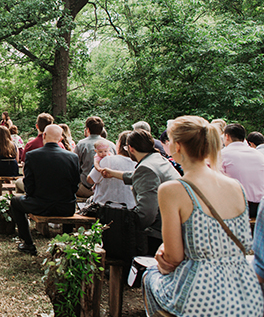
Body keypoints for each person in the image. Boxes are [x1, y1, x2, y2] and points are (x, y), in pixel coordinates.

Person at [142, 116, 263, 317]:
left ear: (177, 146)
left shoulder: (173, 189)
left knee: (150, 274)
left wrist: (163, 255)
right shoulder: (236, 187)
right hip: (242, 290)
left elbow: (174, 257)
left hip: (200, 292)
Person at [99, 129, 180, 254]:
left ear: (131, 148)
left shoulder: (146, 169)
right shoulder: (157, 159)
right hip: (175, 223)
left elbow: (147, 213)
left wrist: (125, 229)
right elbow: (138, 177)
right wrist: (113, 174)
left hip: (159, 232)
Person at [10, 125, 80, 255]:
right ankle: (65, 244)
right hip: (66, 207)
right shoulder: (73, 157)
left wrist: (32, 197)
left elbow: (29, 184)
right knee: (68, 199)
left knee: (15, 201)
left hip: (39, 205)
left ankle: (28, 243)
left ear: (44, 136)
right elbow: (75, 185)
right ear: (60, 138)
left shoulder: (32, 156)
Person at [221, 123, 264, 218]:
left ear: (227, 136)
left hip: (237, 208)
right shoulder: (259, 155)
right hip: (261, 206)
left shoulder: (222, 155)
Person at [85, 131, 136, 208]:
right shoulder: (137, 164)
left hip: (104, 207)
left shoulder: (107, 160)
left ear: (119, 145)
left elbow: (90, 180)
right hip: (130, 206)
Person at [74, 116, 116, 198]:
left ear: (88, 129)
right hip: (107, 189)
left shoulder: (81, 144)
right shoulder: (111, 145)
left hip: (86, 188)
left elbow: (75, 166)